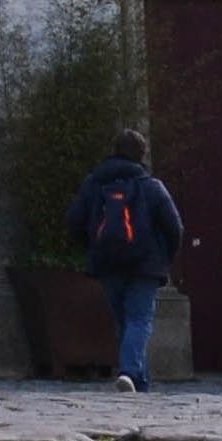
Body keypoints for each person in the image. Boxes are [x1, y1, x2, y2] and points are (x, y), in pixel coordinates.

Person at [69, 127, 185, 393]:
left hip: (108, 264)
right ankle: (130, 372)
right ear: (142, 154)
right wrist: (164, 258)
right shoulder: (151, 186)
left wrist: (93, 248)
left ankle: (139, 383)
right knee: (139, 320)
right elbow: (174, 227)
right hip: (145, 265)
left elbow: (74, 221)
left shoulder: (93, 184)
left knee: (124, 321)